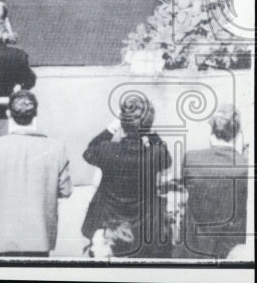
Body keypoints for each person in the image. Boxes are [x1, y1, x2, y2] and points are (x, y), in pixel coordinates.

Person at [0, 90, 72, 257]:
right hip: (40, 238)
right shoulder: (57, 148)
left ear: (8, 114)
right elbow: (66, 191)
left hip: (1, 237)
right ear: (36, 114)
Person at [81, 94, 172, 258]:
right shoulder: (155, 153)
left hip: (108, 222)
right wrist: (149, 131)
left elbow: (89, 150)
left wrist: (112, 127)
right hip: (145, 225)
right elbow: (167, 159)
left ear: (123, 123)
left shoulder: (107, 150)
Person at [182, 105, 249, 259]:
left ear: (211, 131)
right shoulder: (245, 166)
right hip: (229, 251)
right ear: (237, 134)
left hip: (193, 247)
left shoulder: (191, 158)